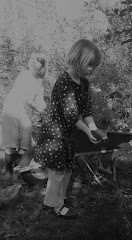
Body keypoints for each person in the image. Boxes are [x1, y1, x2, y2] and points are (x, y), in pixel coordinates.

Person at [33, 39, 104, 218]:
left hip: (69, 132)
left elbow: (86, 109)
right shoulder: (64, 81)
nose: (91, 70)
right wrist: (87, 131)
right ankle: (55, 206)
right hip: (55, 133)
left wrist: (93, 127)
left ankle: (59, 198)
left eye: (95, 66)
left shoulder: (84, 83)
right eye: (90, 64)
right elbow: (71, 114)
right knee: (58, 170)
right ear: (78, 58)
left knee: (67, 168)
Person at [1, 51, 47, 181]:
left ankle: (19, 171)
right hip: (12, 110)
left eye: (37, 60)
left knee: (25, 143)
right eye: (31, 58)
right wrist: (38, 108)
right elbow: (25, 98)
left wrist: (47, 110)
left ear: (42, 66)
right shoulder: (24, 75)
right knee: (11, 141)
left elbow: (40, 100)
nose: (32, 61)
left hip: (26, 113)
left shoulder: (40, 81)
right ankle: (8, 172)